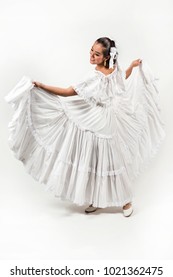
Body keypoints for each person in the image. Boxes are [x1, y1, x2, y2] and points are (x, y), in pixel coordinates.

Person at [4, 37, 165, 217]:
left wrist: (132, 67)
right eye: (91, 51)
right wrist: (41, 86)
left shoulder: (110, 72)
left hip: (106, 119)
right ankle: (98, 199)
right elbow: (68, 92)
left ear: (106, 57)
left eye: (96, 54)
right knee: (93, 158)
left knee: (112, 159)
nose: (91, 56)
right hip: (92, 116)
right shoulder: (95, 75)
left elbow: (119, 79)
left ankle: (126, 200)